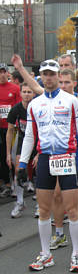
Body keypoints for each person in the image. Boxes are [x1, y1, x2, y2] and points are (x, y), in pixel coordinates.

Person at [17, 59, 78, 272]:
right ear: (41, 76)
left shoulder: (71, 101)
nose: (49, 78)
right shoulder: (34, 104)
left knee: (72, 209)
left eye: (52, 74)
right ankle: (46, 254)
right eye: (45, 74)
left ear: (58, 76)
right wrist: (22, 164)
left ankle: (76, 254)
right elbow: (30, 136)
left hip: (66, 157)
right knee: (43, 209)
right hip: (46, 158)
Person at [6, 83, 35, 218]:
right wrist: (8, 153)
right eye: (24, 92)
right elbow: (10, 131)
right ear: (21, 93)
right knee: (18, 169)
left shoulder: (37, 107)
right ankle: (20, 201)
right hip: (23, 140)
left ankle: (41, 204)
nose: (27, 94)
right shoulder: (16, 109)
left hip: (38, 140)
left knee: (39, 170)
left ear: (33, 94)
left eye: (29, 92)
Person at [0, 63, 21, 197]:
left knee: (12, 157)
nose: (2, 75)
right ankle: (6, 183)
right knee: (2, 156)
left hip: (11, 128)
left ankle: (15, 182)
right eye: (0, 72)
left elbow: (19, 107)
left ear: (8, 73)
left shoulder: (14, 88)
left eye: (4, 72)